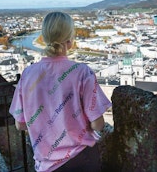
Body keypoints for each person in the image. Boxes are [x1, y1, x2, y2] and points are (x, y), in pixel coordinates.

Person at [9, 11, 112, 172]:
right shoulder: (82, 72)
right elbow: (97, 124)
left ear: (44, 37)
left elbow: (20, 124)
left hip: (46, 165)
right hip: (81, 160)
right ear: (70, 40)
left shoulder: (28, 74)